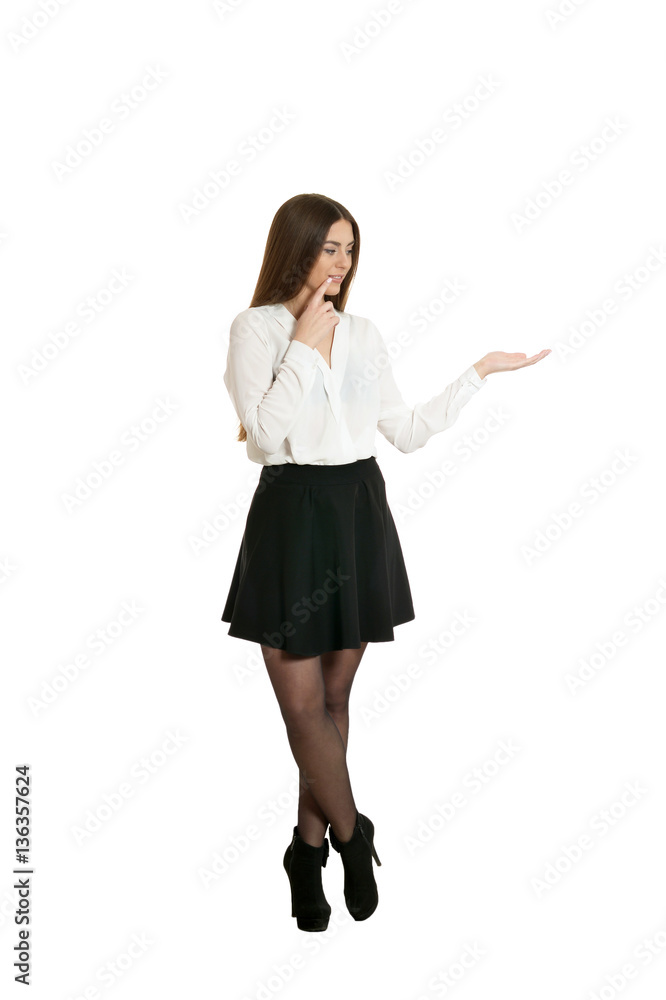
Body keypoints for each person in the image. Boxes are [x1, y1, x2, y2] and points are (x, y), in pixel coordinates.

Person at [220, 193, 550, 931]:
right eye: (328, 247)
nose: (341, 263)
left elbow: (403, 431)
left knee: (334, 701)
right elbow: (264, 439)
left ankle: (307, 850)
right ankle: (351, 836)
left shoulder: (364, 333)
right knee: (301, 706)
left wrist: (478, 373)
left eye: (348, 249)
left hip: (356, 513)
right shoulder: (256, 328)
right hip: (291, 515)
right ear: (295, 249)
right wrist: (304, 345)